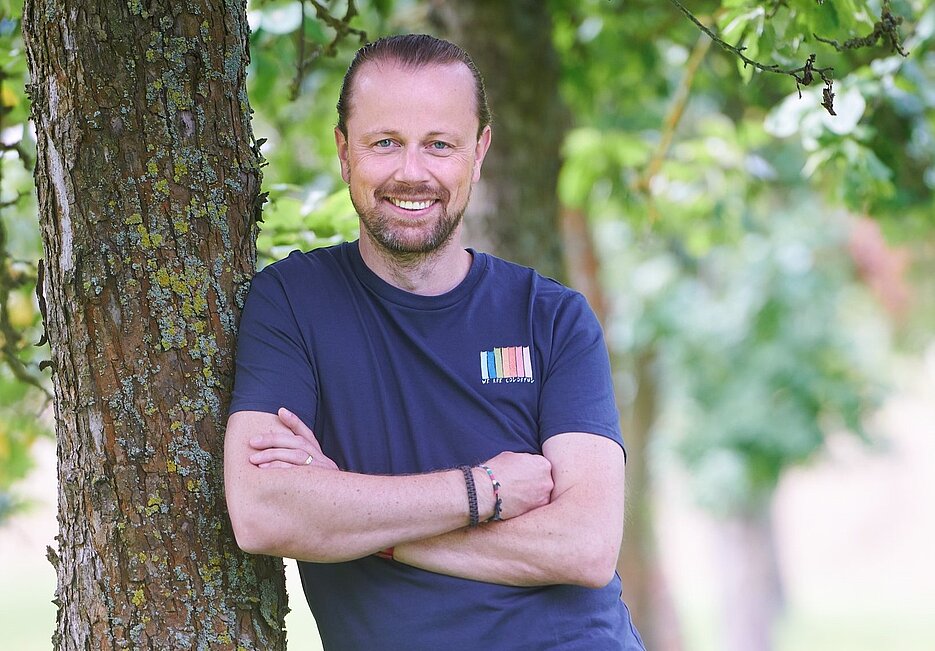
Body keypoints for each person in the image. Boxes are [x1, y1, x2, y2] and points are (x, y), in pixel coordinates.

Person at [224, 34, 645, 650]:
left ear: (479, 152)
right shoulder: (291, 303)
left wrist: (363, 523)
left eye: (439, 145)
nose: (411, 172)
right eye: (385, 142)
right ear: (344, 151)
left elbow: (584, 547)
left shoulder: (553, 319)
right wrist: (484, 491)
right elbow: (264, 512)